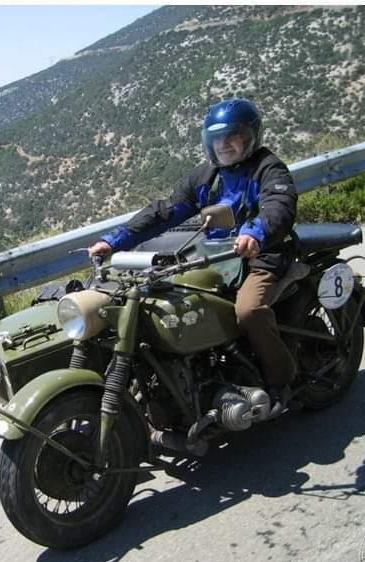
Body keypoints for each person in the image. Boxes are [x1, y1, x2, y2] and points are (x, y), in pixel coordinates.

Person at [88, 97, 297, 411]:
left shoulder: (268, 169)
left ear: (250, 136)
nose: (224, 144)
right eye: (217, 138)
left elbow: (278, 206)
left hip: (262, 256)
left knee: (248, 311)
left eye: (232, 136)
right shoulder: (206, 176)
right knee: (175, 302)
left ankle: (281, 382)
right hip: (215, 258)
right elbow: (164, 212)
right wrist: (114, 240)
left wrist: (255, 232)